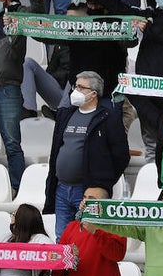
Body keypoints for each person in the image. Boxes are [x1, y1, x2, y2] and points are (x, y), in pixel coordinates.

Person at [44, 71, 129, 238]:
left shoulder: (107, 117)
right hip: (61, 189)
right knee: (62, 239)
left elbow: (121, 155)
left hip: (87, 191)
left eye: (81, 87)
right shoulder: (66, 114)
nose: (75, 90)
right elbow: (56, 150)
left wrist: (102, 183)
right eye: (76, 86)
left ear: (94, 93)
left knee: (87, 239)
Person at [55, 186, 127, 276]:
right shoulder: (71, 227)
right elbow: (59, 264)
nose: (85, 202)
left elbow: (118, 255)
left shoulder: (115, 227)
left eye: (91, 199)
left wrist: (95, 231)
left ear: (103, 204)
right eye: (84, 197)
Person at [0, 205, 53, 276]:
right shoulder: (5, 238)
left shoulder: (41, 240)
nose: (11, 219)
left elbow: (53, 256)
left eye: (13, 215)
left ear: (22, 220)